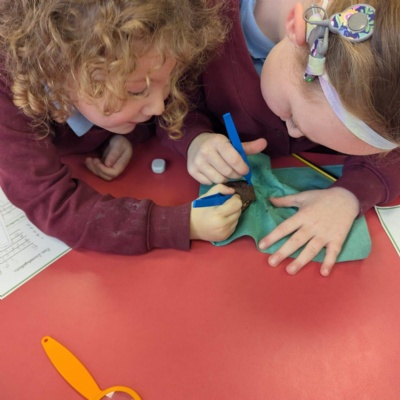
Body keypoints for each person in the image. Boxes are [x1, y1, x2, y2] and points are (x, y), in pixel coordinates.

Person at [160, 0, 400, 276]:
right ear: (294, 27)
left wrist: (350, 195)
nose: (293, 133)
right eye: (294, 117)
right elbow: (164, 102)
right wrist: (193, 138)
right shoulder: (192, 21)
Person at [0, 0, 244, 254]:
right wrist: (179, 224)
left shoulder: (134, 54)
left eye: (170, 81)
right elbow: (54, 206)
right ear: (58, 72)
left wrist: (126, 134)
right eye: (137, 91)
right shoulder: (8, 93)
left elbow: (168, 100)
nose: (159, 107)